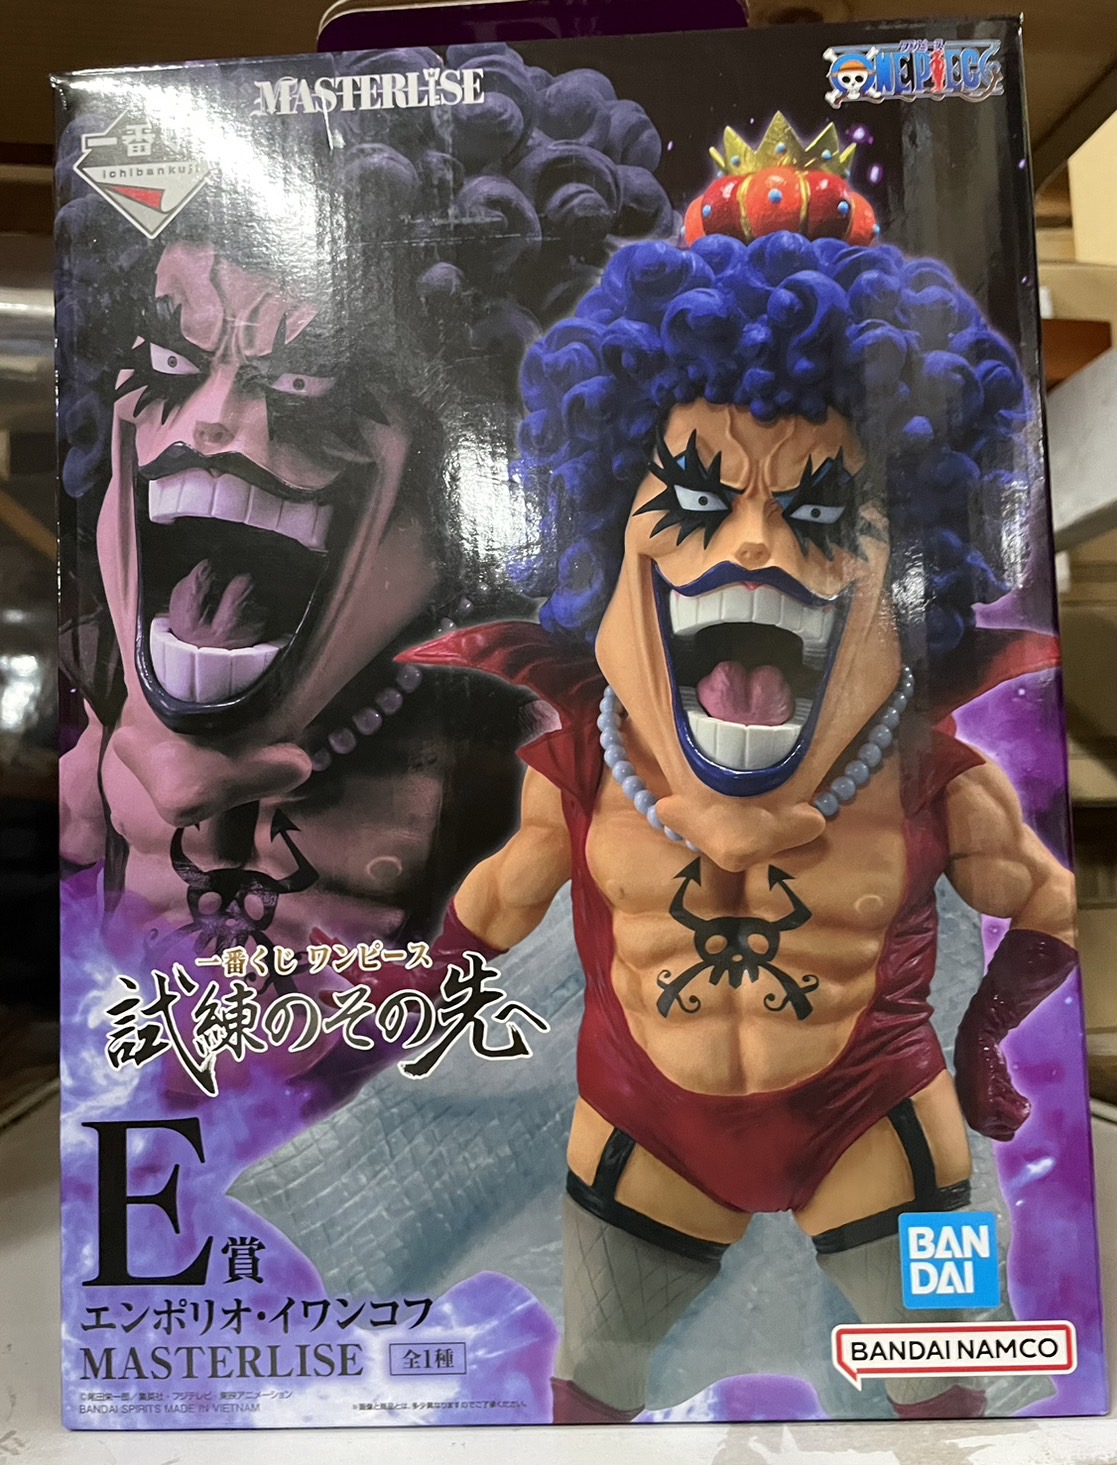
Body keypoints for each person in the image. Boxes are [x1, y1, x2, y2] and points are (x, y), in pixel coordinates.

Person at [406, 118, 1078, 1422]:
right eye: (699, 504)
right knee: (594, 1392)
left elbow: (1048, 904)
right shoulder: (575, 768)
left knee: (946, 1391)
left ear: (912, 565)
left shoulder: (938, 781)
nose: (756, 545)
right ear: (605, 543)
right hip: (642, 1131)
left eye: (820, 511)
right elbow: (493, 903)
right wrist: (413, 1004)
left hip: (877, 1125)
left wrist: (983, 1040)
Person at [55, 47, 673, 1089]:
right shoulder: (93, 685)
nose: (207, 423)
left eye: (304, 376)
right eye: (169, 358)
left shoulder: (526, 748)